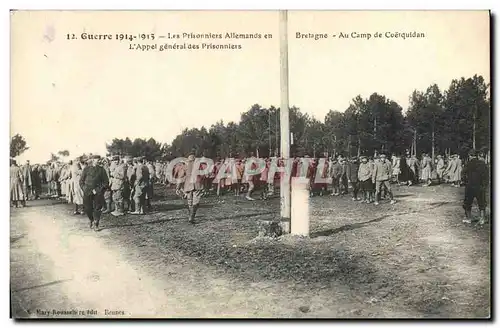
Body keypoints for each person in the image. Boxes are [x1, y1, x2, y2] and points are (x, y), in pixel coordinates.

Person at [79, 155, 109, 231]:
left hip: (97, 192)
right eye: (96, 159)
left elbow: (106, 182)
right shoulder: (86, 169)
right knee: (87, 208)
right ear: (92, 160)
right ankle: (91, 220)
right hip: (87, 191)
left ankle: (96, 223)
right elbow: (81, 181)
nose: (98, 161)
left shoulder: (101, 170)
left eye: (99, 159)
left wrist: (98, 190)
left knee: (97, 208)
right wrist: (85, 189)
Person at [462, 150, 489, 225]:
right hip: (480, 186)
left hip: (470, 186)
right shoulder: (482, 163)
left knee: (467, 202)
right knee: (482, 202)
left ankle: (468, 218)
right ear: (476, 155)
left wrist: (465, 182)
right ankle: (482, 219)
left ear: (470, 155)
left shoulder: (468, 164)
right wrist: (484, 185)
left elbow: (463, 174)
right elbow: (486, 176)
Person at [183, 154, 203, 224]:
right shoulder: (198, 165)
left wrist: (178, 187)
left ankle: (190, 216)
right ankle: (192, 216)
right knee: (196, 201)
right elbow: (202, 174)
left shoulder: (185, 166)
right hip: (197, 184)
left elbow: (181, 176)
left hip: (188, 185)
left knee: (189, 201)